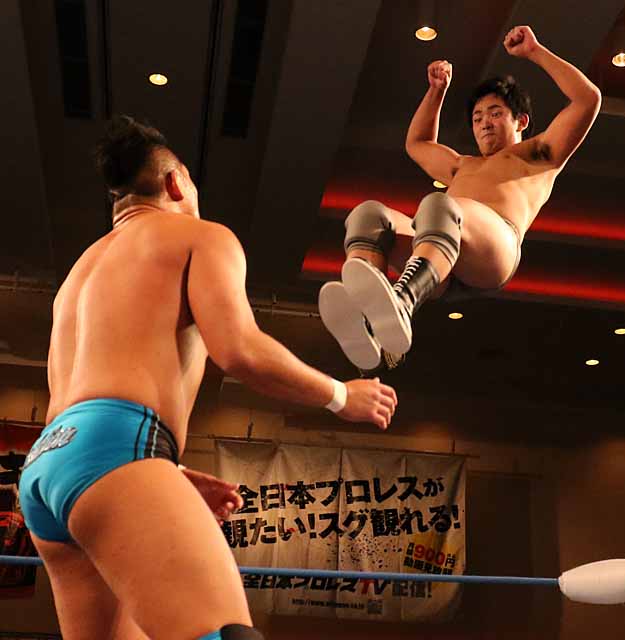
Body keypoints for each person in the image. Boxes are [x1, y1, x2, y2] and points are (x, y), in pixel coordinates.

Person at [18, 116, 398, 640]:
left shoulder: (81, 270)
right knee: (225, 635)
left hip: (48, 463)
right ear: (176, 183)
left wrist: (163, 474)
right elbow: (240, 350)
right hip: (114, 452)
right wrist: (341, 395)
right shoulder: (200, 236)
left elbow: (90, 404)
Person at [319, 25, 601, 372]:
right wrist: (436, 92)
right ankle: (370, 322)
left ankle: (402, 301)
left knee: (439, 205)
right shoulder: (462, 166)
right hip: (438, 256)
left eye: (495, 113)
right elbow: (418, 143)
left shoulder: (539, 154)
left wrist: (535, 51)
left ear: (521, 121)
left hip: (494, 250)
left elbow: (587, 99)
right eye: (477, 118)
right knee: (369, 216)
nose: (484, 123)